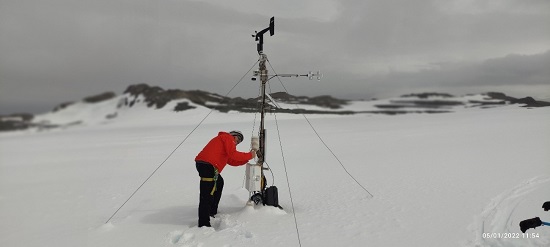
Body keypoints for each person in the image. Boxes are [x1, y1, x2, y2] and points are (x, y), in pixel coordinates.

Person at [195, 130, 256, 227]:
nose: (238, 142)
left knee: (219, 183)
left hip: (207, 166)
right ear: (233, 135)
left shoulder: (224, 144)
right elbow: (233, 154)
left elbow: (232, 160)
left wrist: (247, 158)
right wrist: (250, 155)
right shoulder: (227, 138)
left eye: (239, 141)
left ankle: (212, 211)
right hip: (208, 166)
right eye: (238, 138)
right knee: (206, 194)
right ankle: (204, 223)